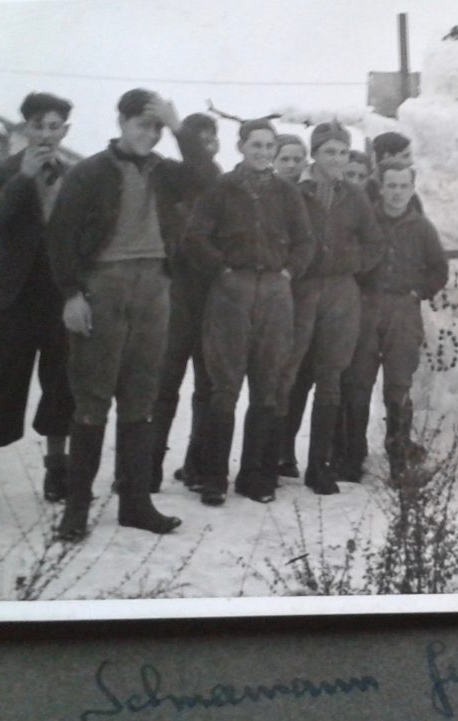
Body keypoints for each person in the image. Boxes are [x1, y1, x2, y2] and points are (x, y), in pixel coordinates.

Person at [47, 88, 218, 541]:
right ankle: (77, 509)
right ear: (121, 122)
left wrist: (180, 127)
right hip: (103, 285)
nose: (150, 134)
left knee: (142, 395)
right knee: (93, 395)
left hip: (155, 288)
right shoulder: (89, 173)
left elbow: (207, 177)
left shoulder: (165, 173)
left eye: (157, 128)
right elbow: (60, 238)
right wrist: (71, 295)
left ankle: (135, 503)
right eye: (142, 124)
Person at [0, 92, 76, 515]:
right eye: (38, 126)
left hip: (61, 297)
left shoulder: (75, 176)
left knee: (62, 385)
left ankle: (57, 471)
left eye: (54, 125)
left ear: (65, 131)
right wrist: (22, 177)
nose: (46, 134)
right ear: (25, 130)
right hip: (13, 297)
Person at [185, 119, 316, 505]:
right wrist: (222, 270)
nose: (262, 152)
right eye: (255, 145)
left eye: (268, 145)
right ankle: (213, 476)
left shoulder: (285, 193)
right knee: (224, 385)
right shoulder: (221, 188)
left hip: (275, 291)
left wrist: (289, 271)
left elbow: (306, 241)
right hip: (232, 291)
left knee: (268, 384)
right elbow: (195, 236)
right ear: (241, 146)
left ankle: (254, 474)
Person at [268, 121, 384, 495]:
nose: (336, 159)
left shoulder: (354, 195)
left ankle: (320, 466)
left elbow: (373, 242)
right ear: (314, 154)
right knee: (289, 372)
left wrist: (351, 264)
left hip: (340, 292)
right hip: (301, 291)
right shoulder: (293, 193)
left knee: (331, 376)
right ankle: (276, 458)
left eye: (342, 152)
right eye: (328, 151)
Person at [338, 160, 448, 481]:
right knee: (358, 383)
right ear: (381, 187)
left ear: (412, 188)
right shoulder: (367, 220)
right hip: (367, 309)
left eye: (403, 186)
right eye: (391, 186)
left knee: (398, 385)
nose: (397, 193)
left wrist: (418, 292)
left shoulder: (422, 227)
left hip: (403, 312)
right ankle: (352, 457)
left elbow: (439, 270)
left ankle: (398, 455)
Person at [149, 112, 221, 490]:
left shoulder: (219, 180)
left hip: (211, 296)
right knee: (163, 384)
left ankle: (197, 465)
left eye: (212, 139)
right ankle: (148, 467)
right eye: (199, 138)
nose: (206, 146)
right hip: (175, 292)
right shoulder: (169, 174)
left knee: (207, 387)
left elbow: (205, 171)